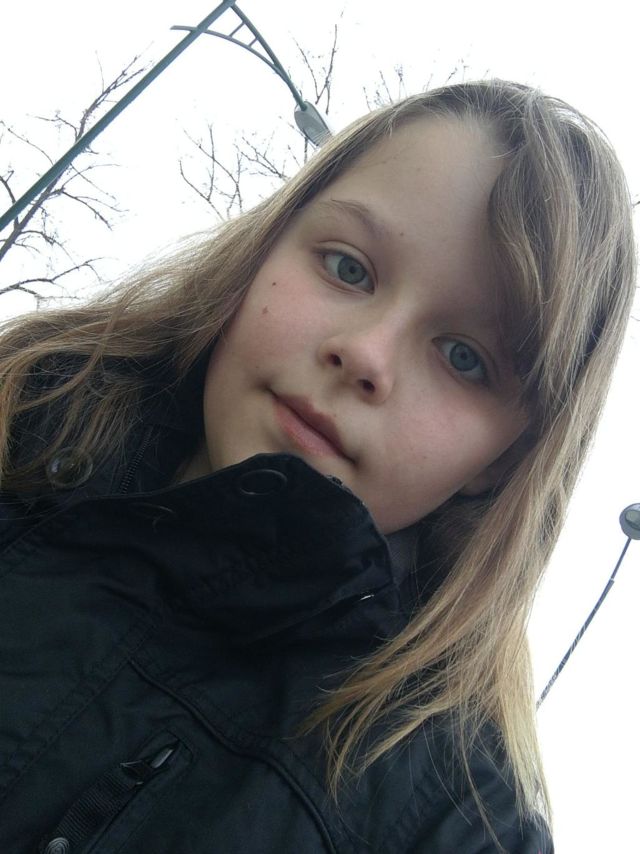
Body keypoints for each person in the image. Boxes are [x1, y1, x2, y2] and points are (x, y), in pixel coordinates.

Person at [0, 79, 635, 853]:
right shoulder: (15, 426)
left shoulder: (453, 826)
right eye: (347, 267)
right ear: (267, 245)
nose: (364, 354)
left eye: (465, 357)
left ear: (500, 464)